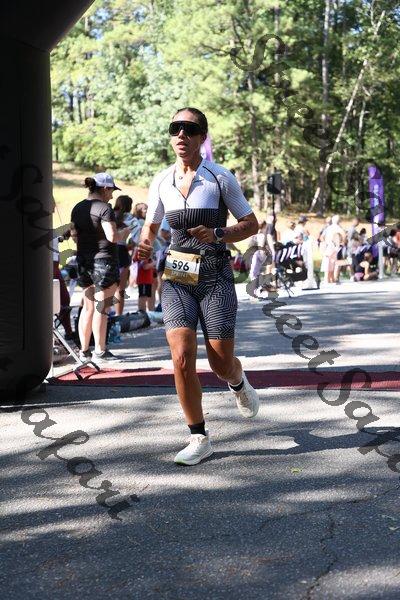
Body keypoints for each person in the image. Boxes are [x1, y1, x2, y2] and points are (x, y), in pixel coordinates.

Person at [138, 107, 259, 466]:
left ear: (202, 137)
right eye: (175, 128)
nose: (181, 135)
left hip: (215, 272)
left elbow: (251, 224)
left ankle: (237, 381)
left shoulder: (220, 177)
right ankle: (198, 436)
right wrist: (145, 244)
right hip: (178, 272)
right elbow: (152, 225)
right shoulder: (162, 180)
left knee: (221, 364)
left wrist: (218, 233)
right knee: (181, 355)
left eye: (189, 129)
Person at [70, 173, 129, 364]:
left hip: (83, 261)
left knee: (88, 307)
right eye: (111, 191)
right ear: (105, 189)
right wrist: (124, 233)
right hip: (104, 261)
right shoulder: (104, 208)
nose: (112, 196)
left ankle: (84, 351)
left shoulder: (77, 208)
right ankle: (100, 351)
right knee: (101, 308)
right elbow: (112, 236)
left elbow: (74, 237)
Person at [113, 194, 134, 316]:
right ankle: (118, 316)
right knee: (120, 289)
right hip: (122, 251)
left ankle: (104, 314)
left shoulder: (109, 215)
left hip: (108, 250)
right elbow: (134, 240)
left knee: (105, 288)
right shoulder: (131, 219)